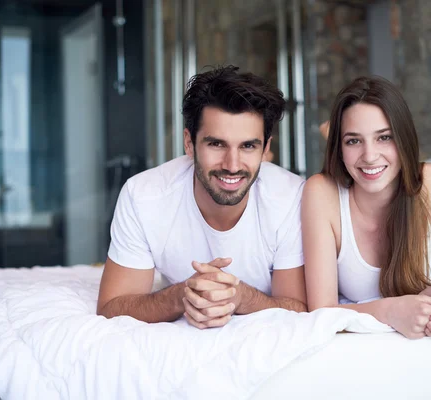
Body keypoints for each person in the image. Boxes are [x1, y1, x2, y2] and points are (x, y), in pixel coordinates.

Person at [97, 66, 307, 329]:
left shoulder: (291, 198)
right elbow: (111, 306)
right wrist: (180, 296)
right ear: (189, 142)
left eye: (248, 146)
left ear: (266, 149)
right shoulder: (143, 196)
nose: (232, 165)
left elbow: (299, 308)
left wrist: (241, 298)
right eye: (216, 144)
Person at [302, 76, 431, 339]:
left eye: (384, 138)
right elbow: (322, 309)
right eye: (353, 141)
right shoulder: (321, 192)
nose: (370, 156)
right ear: (339, 147)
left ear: (403, 139)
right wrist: (392, 310)